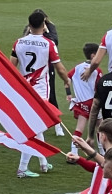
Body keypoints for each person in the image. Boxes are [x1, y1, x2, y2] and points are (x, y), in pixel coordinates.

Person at [11, 11, 71, 177]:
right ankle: (22, 169)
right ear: (44, 25)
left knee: (37, 128)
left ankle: (44, 163)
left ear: (29, 26)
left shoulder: (18, 43)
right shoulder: (48, 44)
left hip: (24, 91)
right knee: (35, 128)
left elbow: (11, 67)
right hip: (40, 92)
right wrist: (66, 80)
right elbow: (59, 68)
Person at [68, 43, 101, 139]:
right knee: (100, 127)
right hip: (93, 102)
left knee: (79, 129)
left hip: (82, 102)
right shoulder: (97, 71)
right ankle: (103, 151)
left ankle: (73, 151)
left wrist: (68, 93)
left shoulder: (77, 68)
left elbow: (67, 79)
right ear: (93, 55)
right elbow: (99, 88)